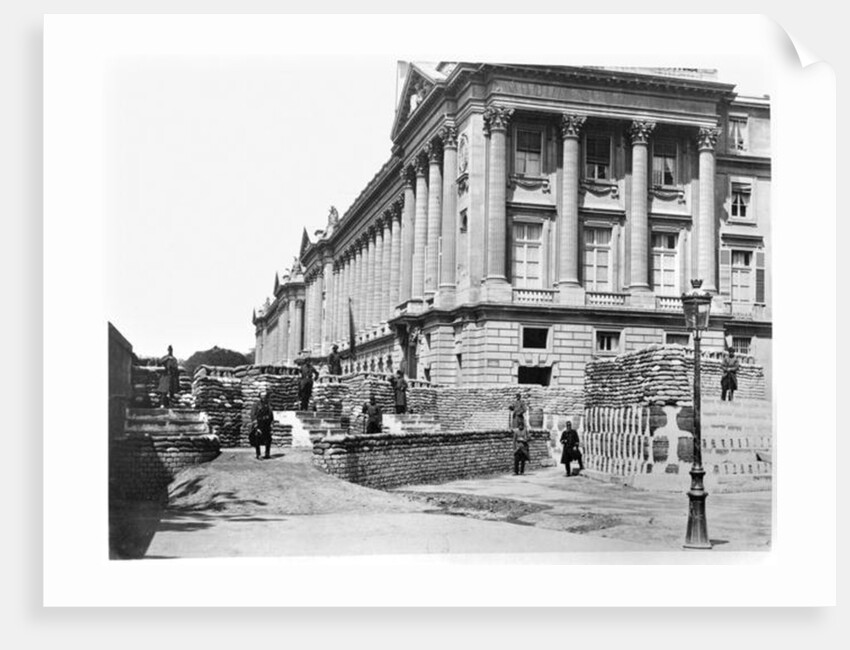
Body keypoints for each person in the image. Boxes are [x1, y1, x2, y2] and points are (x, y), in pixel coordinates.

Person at [251, 392, 274, 460]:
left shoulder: (268, 404)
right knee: (258, 439)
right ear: (260, 396)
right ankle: (258, 454)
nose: (263, 397)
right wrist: (256, 425)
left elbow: (271, 414)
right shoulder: (256, 404)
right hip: (259, 423)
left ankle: (267, 453)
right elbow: (253, 414)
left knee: (268, 439)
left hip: (267, 423)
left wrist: (272, 423)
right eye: (262, 396)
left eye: (264, 396)